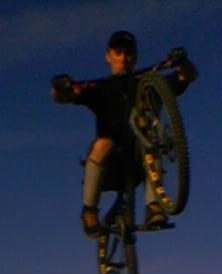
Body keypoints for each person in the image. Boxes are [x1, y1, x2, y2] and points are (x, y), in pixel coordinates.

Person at [51, 30, 197, 238]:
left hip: (141, 164)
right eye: (118, 52)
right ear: (108, 56)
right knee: (103, 144)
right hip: (109, 166)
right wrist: (59, 87)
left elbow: (187, 76)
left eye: (128, 53)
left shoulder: (148, 85)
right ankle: (89, 211)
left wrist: (182, 62)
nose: (123, 58)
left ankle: (154, 207)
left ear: (135, 57)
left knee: (151, 140)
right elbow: (64, 97)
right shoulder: (100, 88)